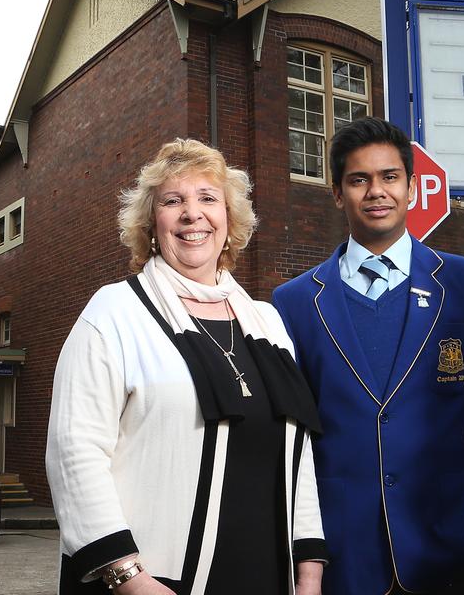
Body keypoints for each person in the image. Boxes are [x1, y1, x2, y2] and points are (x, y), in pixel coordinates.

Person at [48, 139, 326, 595]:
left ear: (229, 221)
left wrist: (309, 572)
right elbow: (74, 450)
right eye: (173, 201)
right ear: (151, 224)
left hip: (267, 576)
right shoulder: (114, 312)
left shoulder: (268, 322)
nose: (191, 214)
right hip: (155, 583)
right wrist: (126, 577)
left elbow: (299, 455)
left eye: (207, 199)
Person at [272, 118, 464, 595]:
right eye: (359, 180)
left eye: (390, 177)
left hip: (450, 551)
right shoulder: (293, 303)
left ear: (413, 187)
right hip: (344, 557)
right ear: (337, 193)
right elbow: (291, 442)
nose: (376, 191)